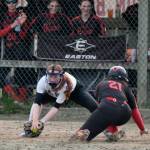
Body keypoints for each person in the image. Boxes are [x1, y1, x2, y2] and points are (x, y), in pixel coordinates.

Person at [71, 66, 148, 142]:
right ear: (124, 77)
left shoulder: (101, 84)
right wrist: (142, 128)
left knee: (103, 115)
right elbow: (135, 110)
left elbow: (102, 110)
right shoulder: (125, 86)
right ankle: (114, 134)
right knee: (107, 114)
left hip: (108, 108)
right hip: (125, 113)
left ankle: (83, 133)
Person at [22, 64, 98, 137]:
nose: (52, 79)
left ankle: (107, 128)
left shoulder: (67, 84)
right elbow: (37, 102)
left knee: (94, 107)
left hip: (75, 92)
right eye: (50, 76)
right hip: (53, 93)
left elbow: (56, 107)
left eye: (55, 76)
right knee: (39, 101)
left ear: (61, 76)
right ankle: (30, 123)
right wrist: (35, 121)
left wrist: (42, 122)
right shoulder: (43, 81)